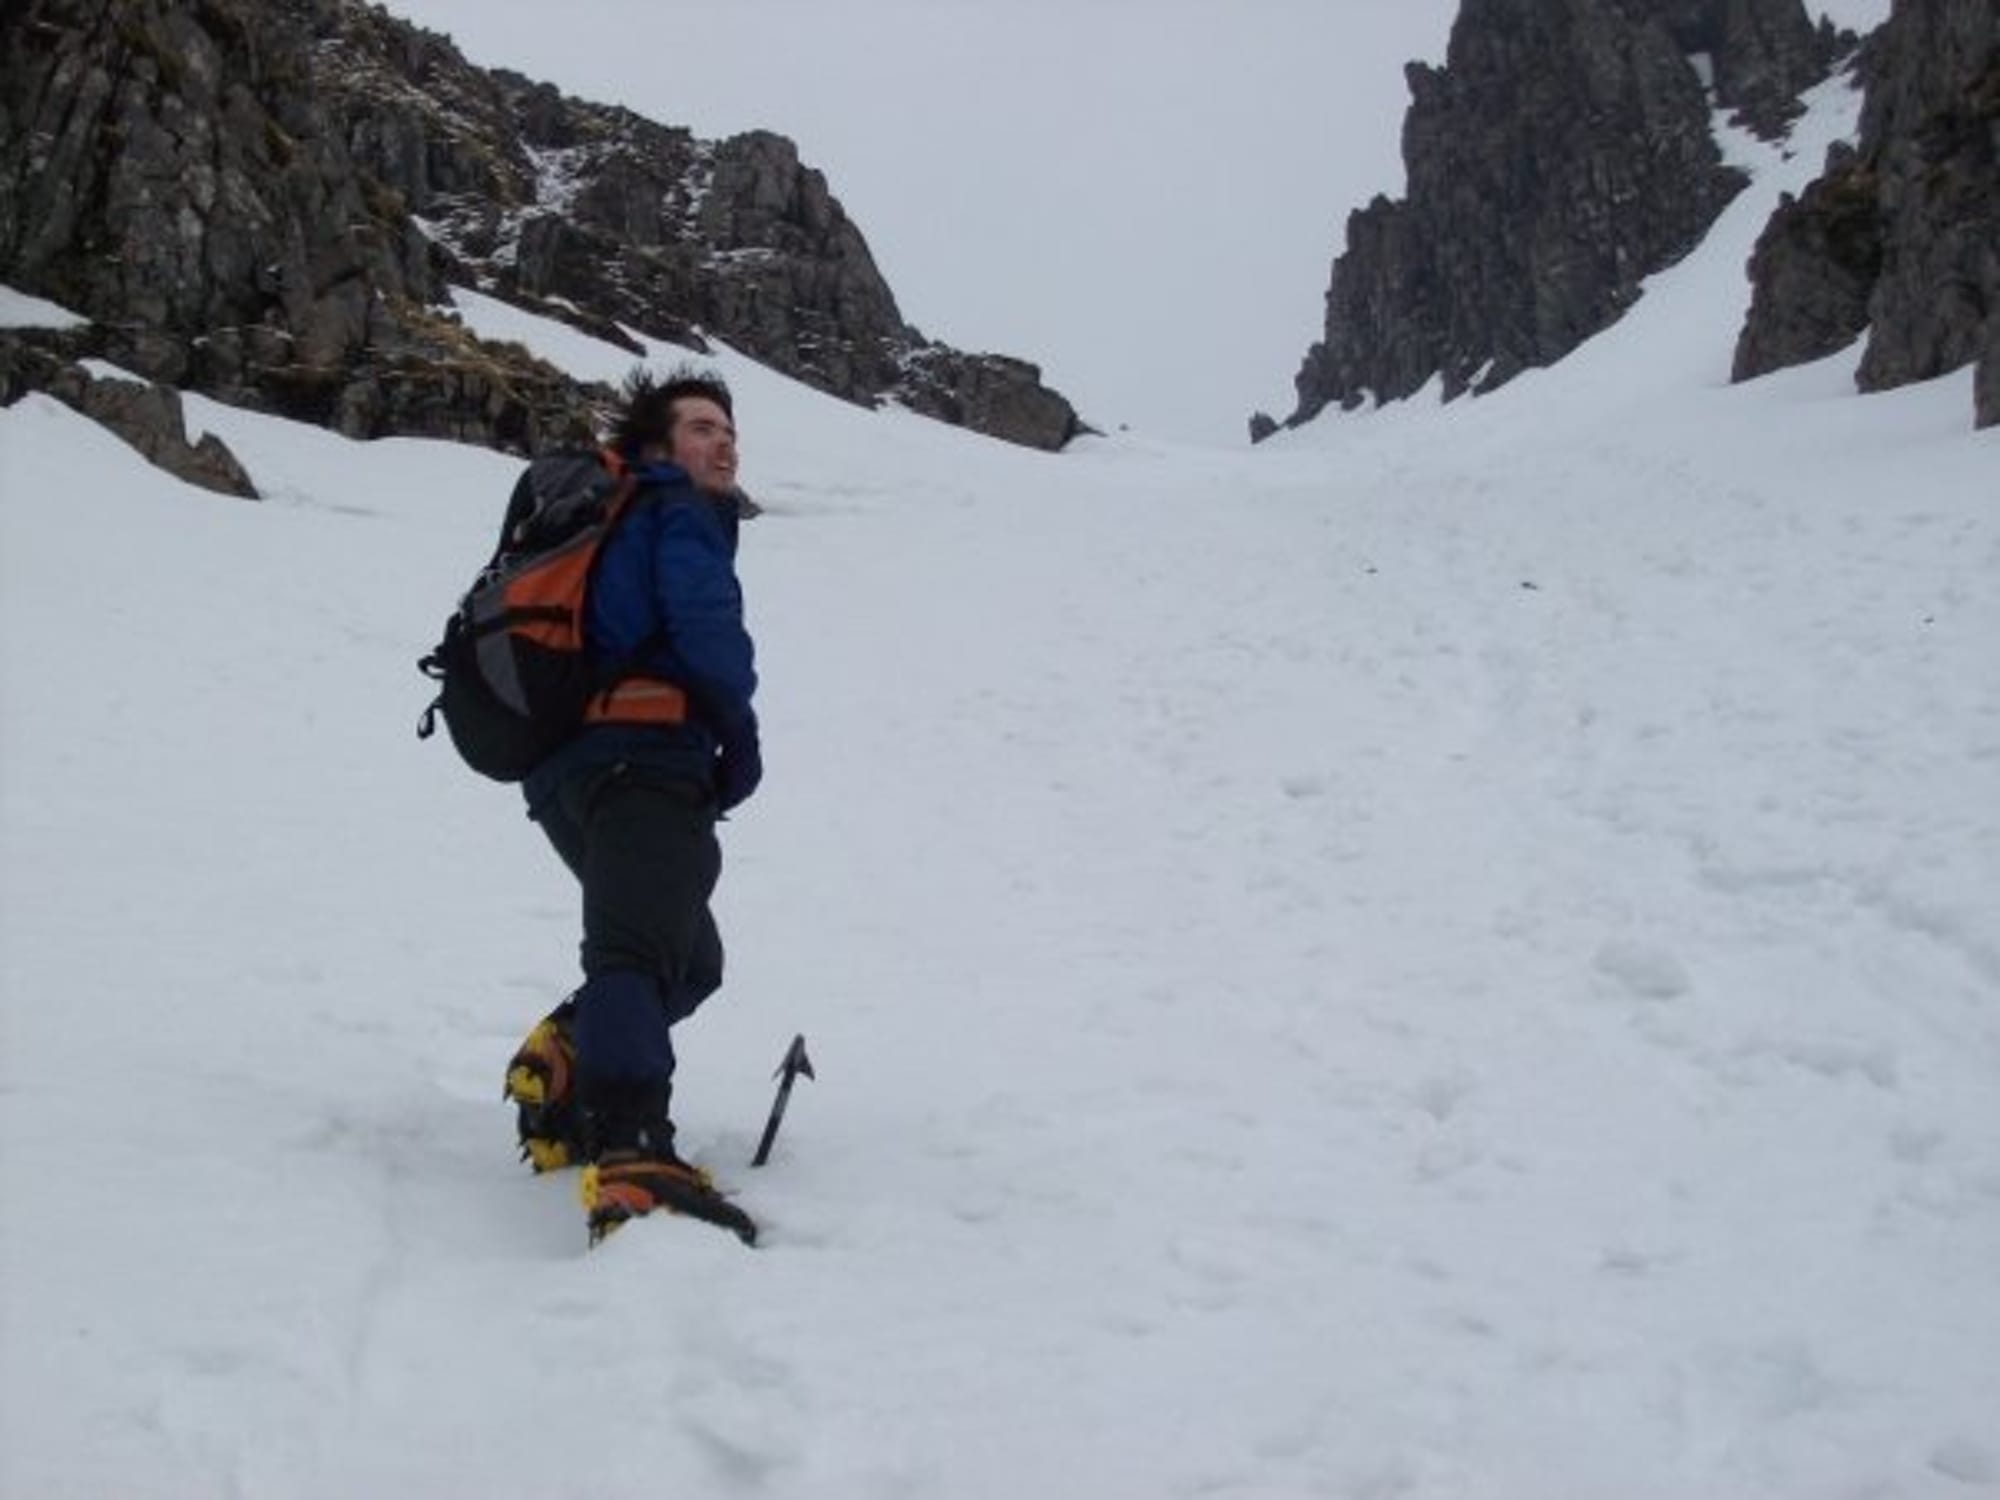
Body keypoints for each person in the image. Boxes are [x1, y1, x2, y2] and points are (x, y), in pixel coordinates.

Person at [502, 367, 761, 1242]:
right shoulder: (673, 509)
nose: (723, 444)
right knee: (636, 955)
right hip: (643, 759)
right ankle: (635, 1153)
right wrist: (742, 736)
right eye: (701, 428)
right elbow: (711, 639)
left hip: (567, 773)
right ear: (657, 446)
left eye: (729, 431)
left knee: (689, 958)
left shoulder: (617, 518)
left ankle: (570, 1056)